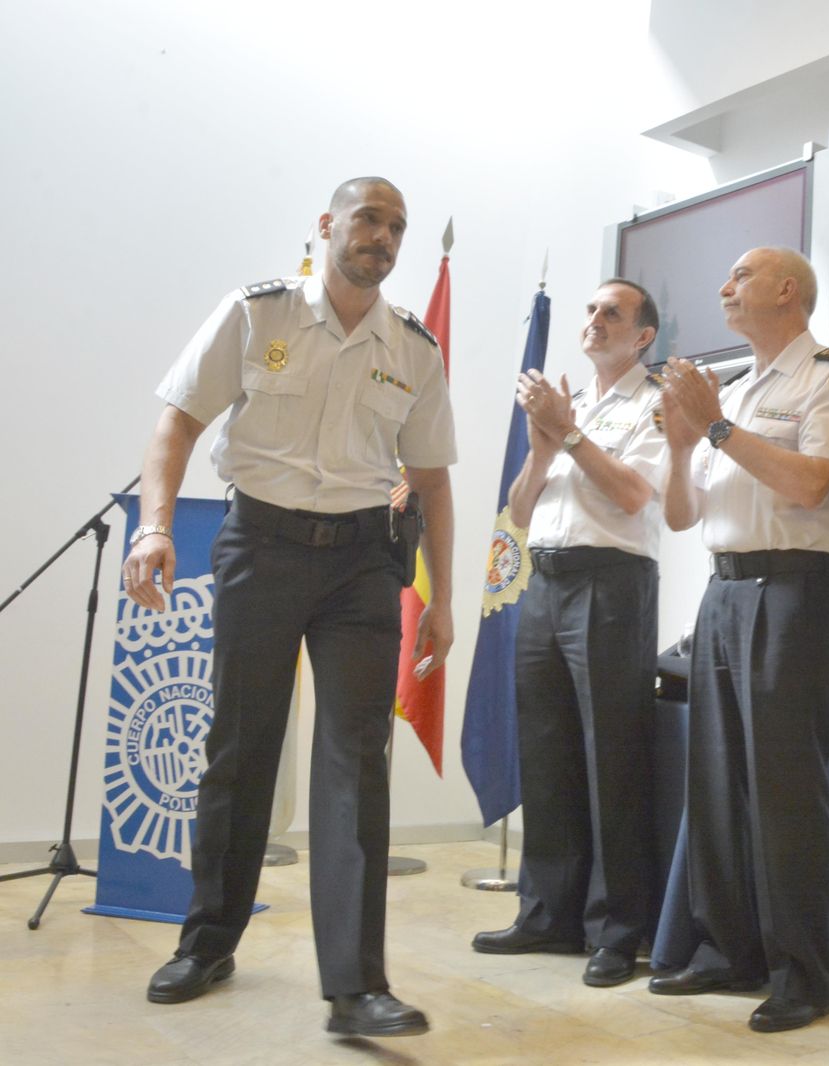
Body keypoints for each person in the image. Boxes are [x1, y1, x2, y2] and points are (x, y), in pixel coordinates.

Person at [125, 177, 455, 1038]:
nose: (382, 236)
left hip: (360, 566)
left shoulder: (414, 349)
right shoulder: (257, 313)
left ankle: (355, 987)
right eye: (368, 219)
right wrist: (152, 529)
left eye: (396, 227)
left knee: (357, 760)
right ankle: (207, 943)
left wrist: (444, 598)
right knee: (241, 745)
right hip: (260, 545)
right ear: (328, 225)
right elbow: (177, 420)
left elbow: (430, 479)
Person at [647, 246, 829, 1034]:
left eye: (740, 277)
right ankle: (724, 951)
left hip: (796, 589)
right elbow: (681, 516)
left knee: (783, 788)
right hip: (724, 590)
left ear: (787, 290)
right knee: (715, 783)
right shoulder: (736, 390)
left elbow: (812, 482)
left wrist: (714, 425)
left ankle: (802, 976)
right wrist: (682, 445)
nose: (724, 287)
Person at [469, 279, 666, 989]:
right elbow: (521, 510)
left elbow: (634, 494)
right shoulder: (570, 404)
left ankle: (617, 929)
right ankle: (547, 912)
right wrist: (542, 447)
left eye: (611, 312)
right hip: (545, 582)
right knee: (547, 750)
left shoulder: (656, 403)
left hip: (611, 583)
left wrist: (571, 436)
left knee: (611, 756)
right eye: (589, 309)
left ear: (643, 335)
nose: (594, 319)